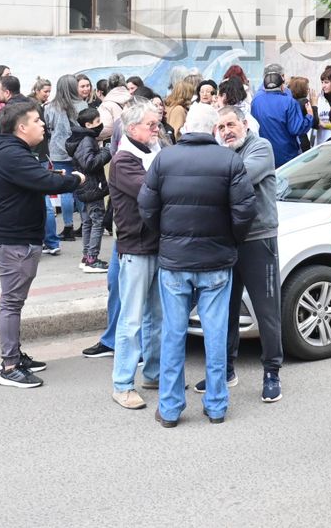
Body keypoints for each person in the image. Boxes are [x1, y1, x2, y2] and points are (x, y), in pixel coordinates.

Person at [139, 103, 254, 426]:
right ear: (214, 129)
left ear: (186, 127)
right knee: (215, 334)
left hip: (175, 261)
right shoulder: (230, 160)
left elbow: (146, 206)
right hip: (217, 260)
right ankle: (216, 405)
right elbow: (245, 211)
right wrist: (229, 239)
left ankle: (171, 407)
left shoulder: (164, 158)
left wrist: (166, 234)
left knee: (173, 334)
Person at [0, 99, 85, 388]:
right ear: (21, 127)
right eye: (37, 120)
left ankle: (14, 353)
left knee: (14, 301)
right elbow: (46, 182)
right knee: (11, 302)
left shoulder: (13, 151)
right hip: (13, 239)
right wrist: (75, 179)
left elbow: (38, 179)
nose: (43, 124)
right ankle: (9, 365)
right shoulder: (12, 155)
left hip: (20, 237)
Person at [212, 105, 284, 402]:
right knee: (225, 311)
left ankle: (272, 372)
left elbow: (240, 178)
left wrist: (212, 176)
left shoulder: (261, 147)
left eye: (231, 124)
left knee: (267, 312)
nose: (227, 131)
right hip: (228, 241)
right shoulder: (223, 154)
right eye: (220, 128)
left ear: (244, 124)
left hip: (259, 239)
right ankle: (226, 369)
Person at [97, 102, 162, 408]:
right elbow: (151, 192)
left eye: (156, 123)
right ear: (132, 128)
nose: (156, 128)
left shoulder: (151, 152)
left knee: (155, 317)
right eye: (150, 124)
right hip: (136, 248)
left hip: (155, 245)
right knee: (132, 319)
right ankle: (122, 384)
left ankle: (153, 373)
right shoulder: (124, 160)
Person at [65, 106, 112, 272]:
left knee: (87, 222)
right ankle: (92, 258)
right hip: (92, 187)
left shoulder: (81, 138)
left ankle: (86, 257)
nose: (101, 125)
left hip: (85, 186)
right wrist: (107, 151)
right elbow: (89, 163)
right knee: (96, 221)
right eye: (97, 122)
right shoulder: (86, 140)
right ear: (88, 125)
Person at [250, 63, 316, 167]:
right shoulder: (289, 102)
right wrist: (309, 117)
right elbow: (296, 129)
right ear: (281, 83)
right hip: (287, 156)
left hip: (264, 156)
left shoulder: (256, 100)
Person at [45, 74, 84, 242]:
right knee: (81, 187)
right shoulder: (82, 104)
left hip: (58, 151)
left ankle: (68, 227)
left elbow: (48, 126)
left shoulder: (51, 107)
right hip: (79, 151)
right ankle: (85, 223)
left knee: (66, 190)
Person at [287, 75, 314, 151]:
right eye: (307, 88)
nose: (308, 90)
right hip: (302, 139)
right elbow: (315, 122)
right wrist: (314, 106)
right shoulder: (304, 102)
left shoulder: (290, 102)